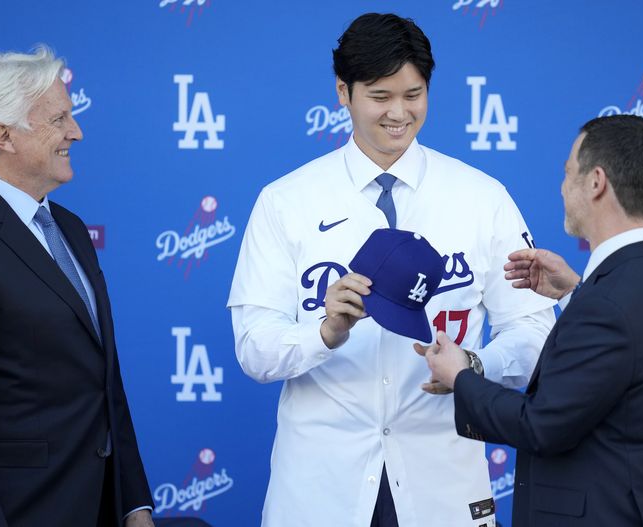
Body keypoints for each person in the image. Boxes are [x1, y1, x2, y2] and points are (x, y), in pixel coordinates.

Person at [228, 13, 555, 527]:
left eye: (414, 94)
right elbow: (253, 347)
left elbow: (536, 331)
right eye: (380, 97)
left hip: (443, 481)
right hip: (321, 488)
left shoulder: (482, 198)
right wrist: (324, 332)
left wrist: (473, 367)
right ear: (344, 92)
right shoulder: (285, 201)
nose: (399, 113)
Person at [418, 114, 643, 526]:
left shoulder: (608, 301)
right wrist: (575, 292)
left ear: (596, 182)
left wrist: (461, 375)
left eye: (569, 172)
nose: (562, 186)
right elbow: (624, 354)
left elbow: (540, 427)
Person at [0, 46, 154, 527]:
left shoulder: (72, 228)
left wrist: (133, 503)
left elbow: (105, 382)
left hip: (100, 506)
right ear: (4, 136)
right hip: (23, 510)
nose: (75, 132)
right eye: (58, 119)